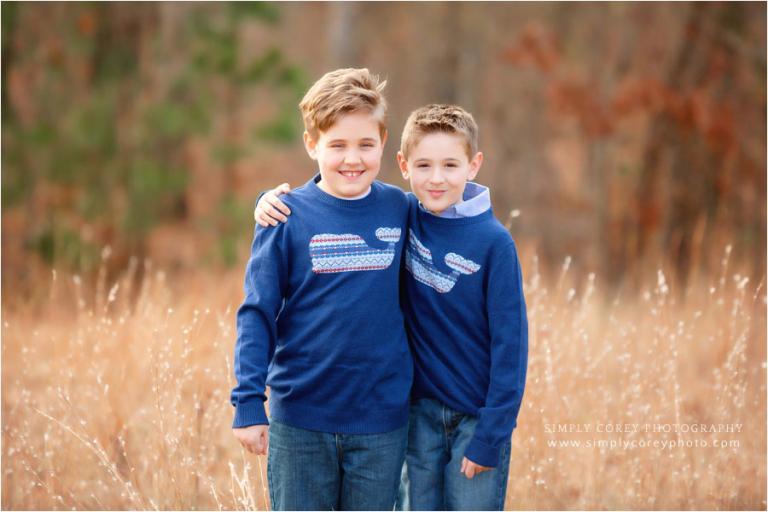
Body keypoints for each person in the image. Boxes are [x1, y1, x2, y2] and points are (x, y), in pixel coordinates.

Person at [255, 103, 529, 511]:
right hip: (416, 413)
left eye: (450, 165)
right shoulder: (405, 213)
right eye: (424, 166)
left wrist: (494, 431)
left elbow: (512, 345)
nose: (436, 179)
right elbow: (330, 209)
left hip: (474, 417)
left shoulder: (490, 241)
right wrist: (266, 201)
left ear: (473, 166)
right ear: (403, 165)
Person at [231, 68, 412, 511]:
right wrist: (248, 402)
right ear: (311, 144)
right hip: (302, 421)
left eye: (366, 145)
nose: (353, 159)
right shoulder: (284, 218)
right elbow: (257, 312)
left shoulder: (402, 209)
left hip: (381, 422)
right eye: (337, 145)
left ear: (384, 142)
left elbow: (454, 207)